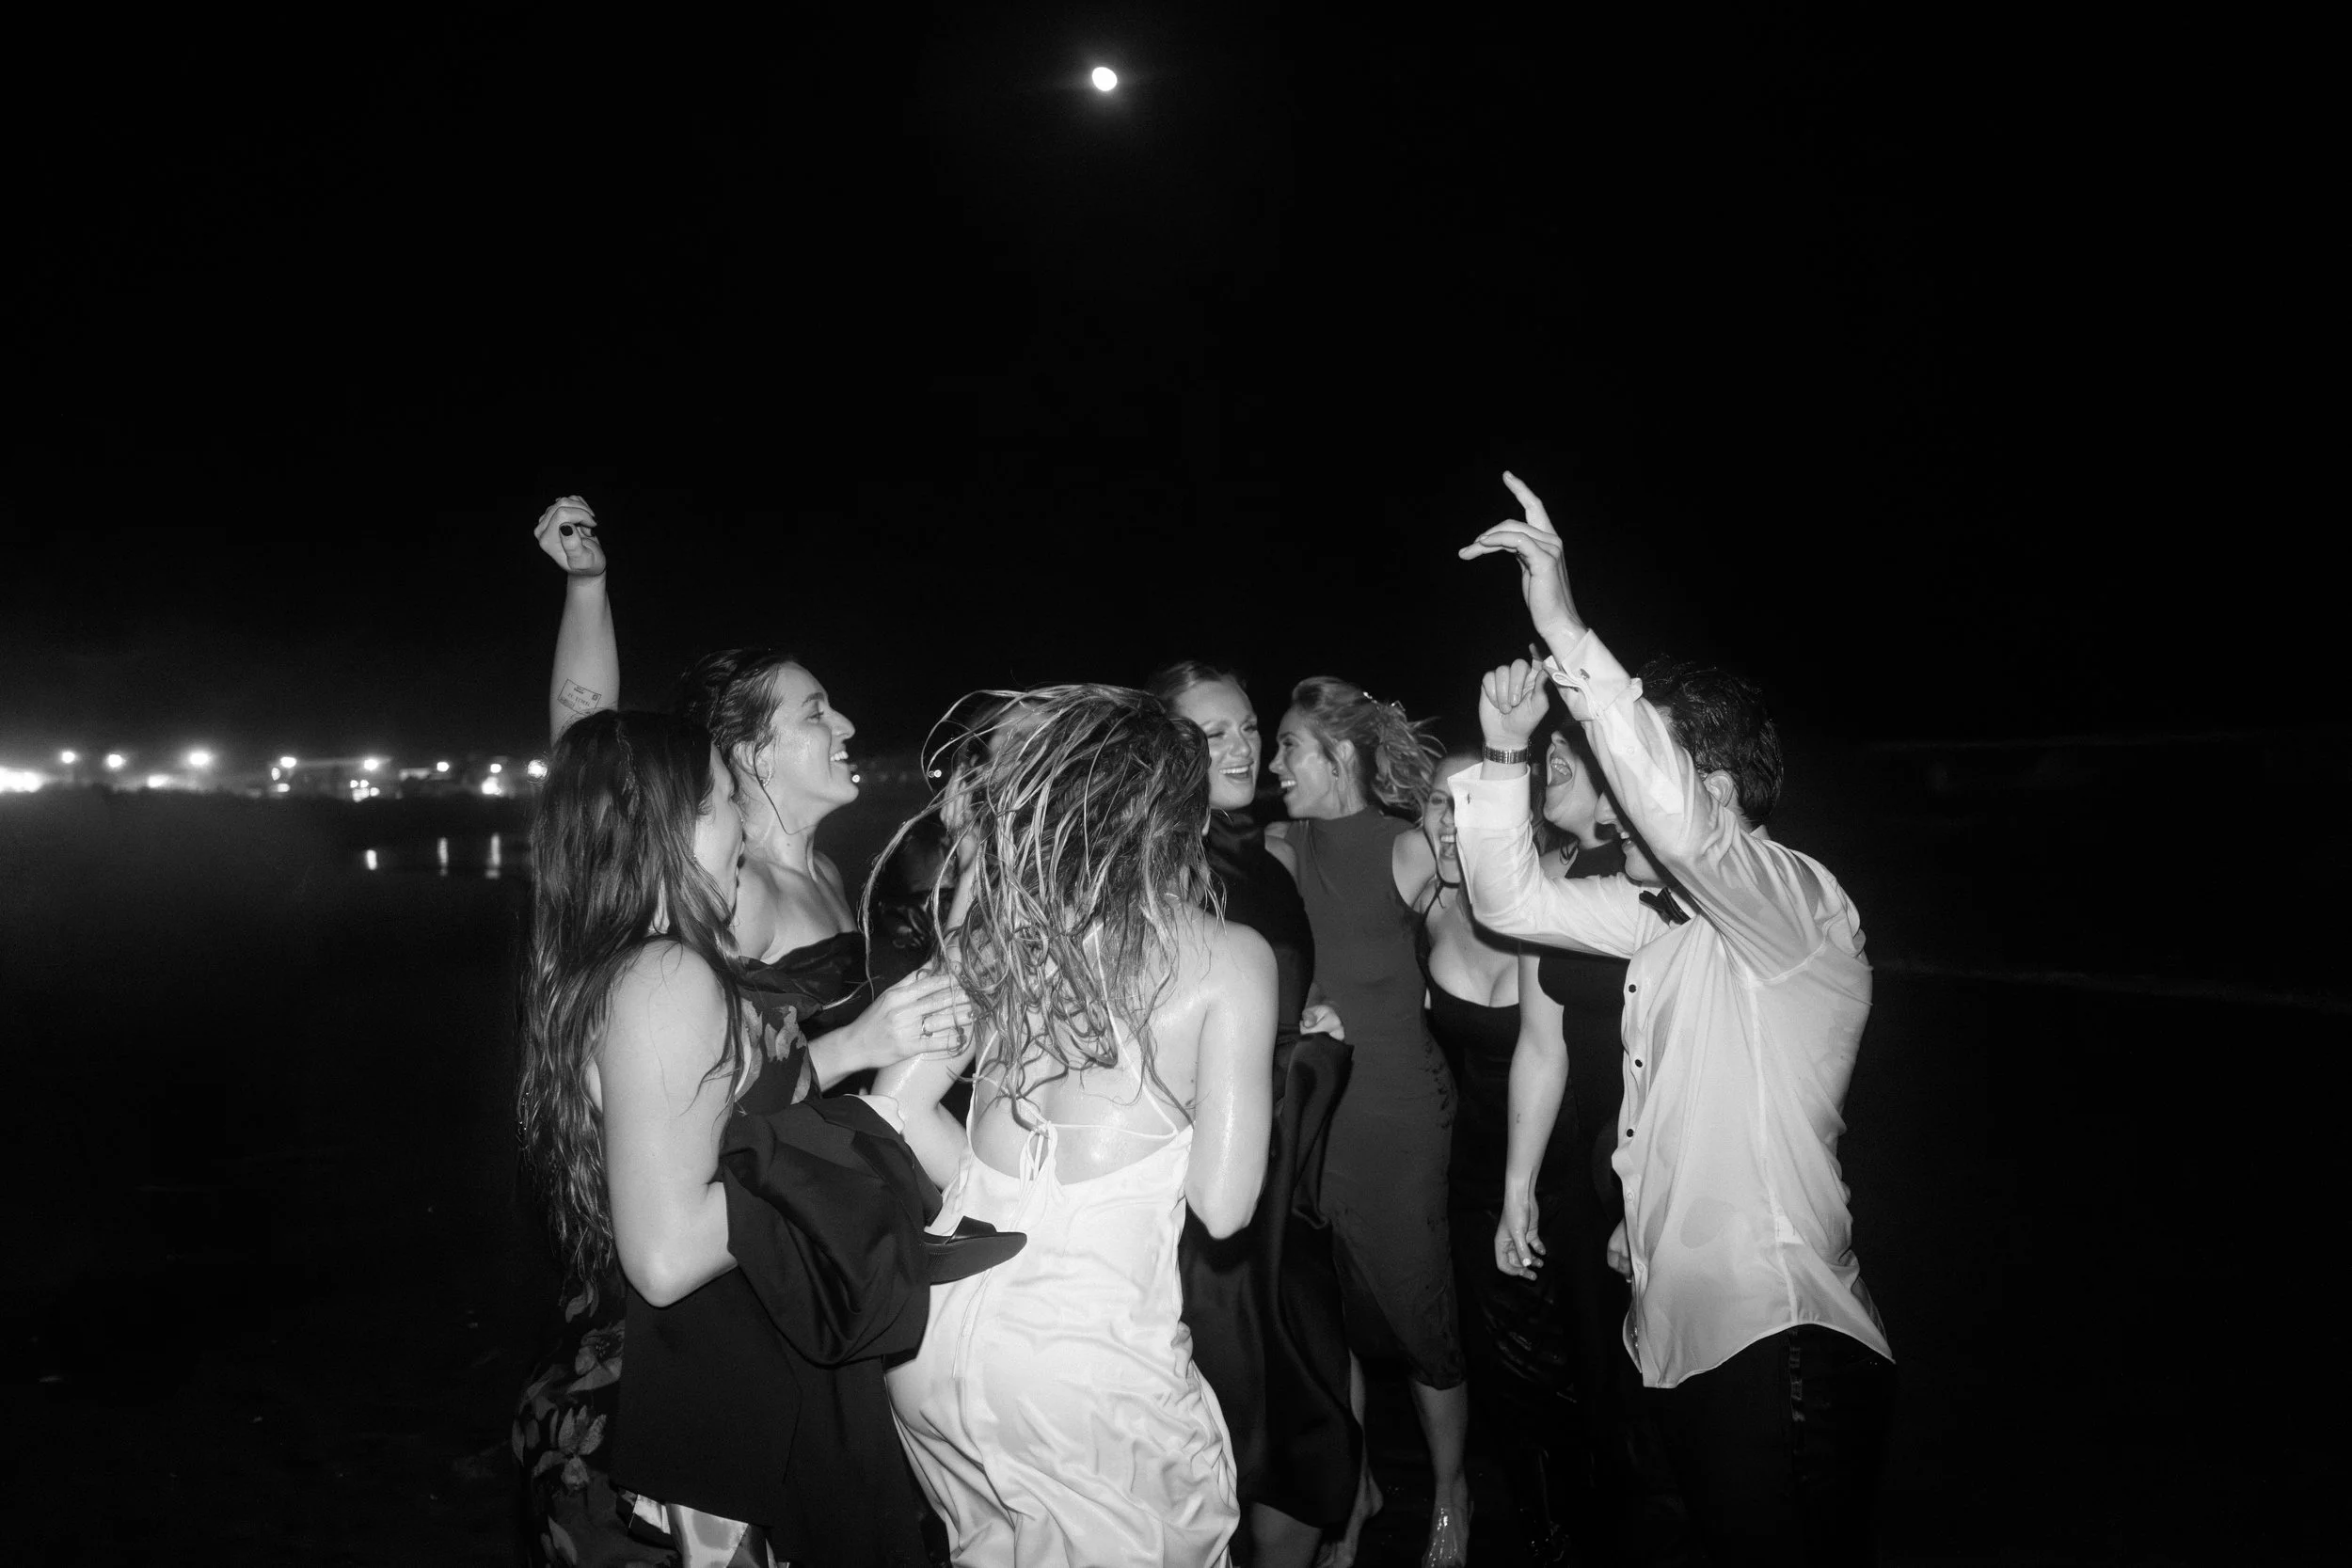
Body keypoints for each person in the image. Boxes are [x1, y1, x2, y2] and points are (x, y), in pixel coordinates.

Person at [1452, 473, 1896, 1565]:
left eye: (1618, 777)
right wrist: (1505, 757)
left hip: (1778, 1341)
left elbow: (1685, 832)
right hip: (1676, 1346)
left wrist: (1561, 627)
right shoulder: (1663, 928)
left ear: (1714, 781)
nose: (1605, 800)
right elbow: (1509, 903)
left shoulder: (1798, 908)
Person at [512, 710, 953, 1567]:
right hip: (665, 1439)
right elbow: (670, 1251)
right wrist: (849, 1145)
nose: (745, 823)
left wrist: (851, 1053)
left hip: (645, 1392)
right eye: (723, 800)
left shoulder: (612, 962)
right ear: (667, 824)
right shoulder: (666, 974)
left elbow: (716, 1130)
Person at [879, 685, 1279, 1568]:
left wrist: (1003, 1194)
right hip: (1083, 1372)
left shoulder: (992, 941)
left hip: (932, 1344)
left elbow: (897, 1105)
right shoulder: (1229, 958)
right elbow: (1222, 1205)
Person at [534, 495, 963, 1080]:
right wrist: (588, 589)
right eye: (816, 714)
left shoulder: (826, 873)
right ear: (752, 753)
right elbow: (679, 1088)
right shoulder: (736, 892)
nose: (847, 727)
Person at [1151, 660, 1359, 1568]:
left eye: (1246, 728)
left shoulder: (1255, 853)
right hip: (1218, 1193)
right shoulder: (1157, 870)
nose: (1240, 746)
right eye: (1210, 735)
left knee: (1304, 1401)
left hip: (1288, 1171)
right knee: (1250, 1424)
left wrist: (1294, 1019)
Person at [1266, 679, 1471, 1568]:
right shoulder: (1279, 846)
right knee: (1332, 1321)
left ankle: (1451, 1490)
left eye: (1288, 748)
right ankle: (1355, 1491)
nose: (1274, 766)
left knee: (1421, 1316)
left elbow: (1487, 923)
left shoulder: (1404, 847)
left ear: (1338, 756)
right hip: (1317, 1117)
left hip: (1398, 1116)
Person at [1413, 746, 1589, 1566]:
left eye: (1471, 803)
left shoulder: (1550, 890)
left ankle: (1594, 1521)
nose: (1454, 823)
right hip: (1472, 1180)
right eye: (1439, 806)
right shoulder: (1421, 911)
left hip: (1569, 1171)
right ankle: (1542, 1532)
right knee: (1511, 1380)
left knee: (1586, 1369)